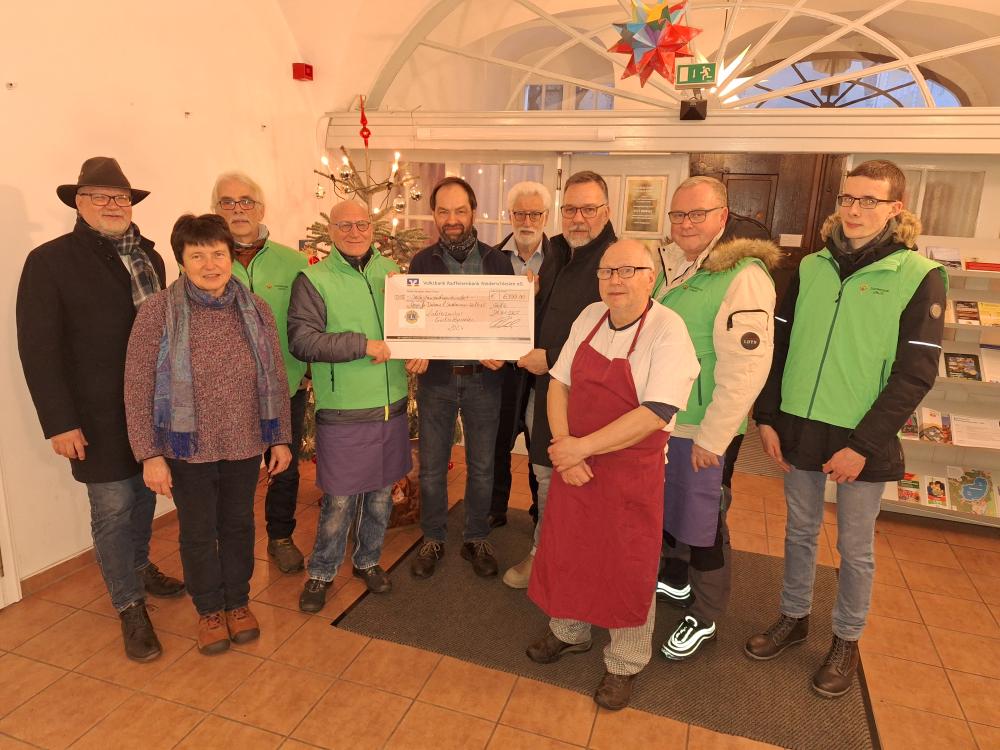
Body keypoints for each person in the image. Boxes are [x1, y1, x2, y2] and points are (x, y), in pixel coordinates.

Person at [746, 160, 947, 698]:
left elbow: (915, 374)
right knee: (799, 531)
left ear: (895, 208)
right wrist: (767, 415)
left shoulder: (918, 275)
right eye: (848, 199)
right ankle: (794, 617)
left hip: (862, 435)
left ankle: (846, 640)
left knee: (855, 549)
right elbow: (778, 346)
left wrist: (862, 446)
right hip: (800, 424)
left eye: (869, 201)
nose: (854, 210)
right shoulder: (811, 266)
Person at [16, 157, 184, 663]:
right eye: (100, 196)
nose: (114, 205)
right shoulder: (49, 261)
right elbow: (38, 348)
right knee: (112, 508)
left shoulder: (151, 257)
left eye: (122, 197)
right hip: (95, 415)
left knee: (146, 494)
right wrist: (60, 421)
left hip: (151, 408)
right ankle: (129, 605)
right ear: (79, 202)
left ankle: (139, 565)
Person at [526, 239, 698, 711]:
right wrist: (566, 448)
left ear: (651, 278)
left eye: (627, 271)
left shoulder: (668, 329)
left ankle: (625, 660)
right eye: (606, 272)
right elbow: (558, 383)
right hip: (576, 465)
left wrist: (580, 448)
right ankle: (570, 631)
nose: (615, 281)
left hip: (629, 471)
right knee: (571, 548)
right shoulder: (589, 317)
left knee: (628, 564)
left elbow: (656, 411)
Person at [125, 214, 292, 655]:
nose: (210, 264)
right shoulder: (157, 311)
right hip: (186, 447)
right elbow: (137, 386)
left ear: (231, 256)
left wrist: (279, 437)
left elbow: (274, 375)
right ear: (181, 260)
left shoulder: (256, 309)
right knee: (198, 532)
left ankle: (238, 602)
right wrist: (149, 454)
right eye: (197, 255)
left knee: (238, 525)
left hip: (244, 441)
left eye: (218, 253)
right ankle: (209, 611)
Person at [651, 176, 778, 659]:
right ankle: (676, 581)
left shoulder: (744, 276)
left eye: (697, 214)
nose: (685, 224)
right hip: (663, 419)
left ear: (722, 217)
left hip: (703, 425)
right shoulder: (669, 266)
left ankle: (705, 616)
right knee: (669, 508)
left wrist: (715, 437)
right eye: (678, 214)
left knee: (704, 520)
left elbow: (747, 368)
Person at [288, 201, 414, 611]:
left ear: (372, 228)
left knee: (381, 493)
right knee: (339, 498)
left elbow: (415, 326)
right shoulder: (314, 278)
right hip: (343, 408)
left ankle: (368, 561)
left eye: (362, 224)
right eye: (345, 225)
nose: (355, 232)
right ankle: (322, 572)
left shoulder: (393, 274)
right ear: (331, 230)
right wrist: (362, 345)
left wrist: (421, 350)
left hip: (391, 404)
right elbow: (303, 340)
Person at [506, 170, 618, 589]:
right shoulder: (557, 250)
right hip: (546, 389)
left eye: (588, 209)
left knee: (575, 481)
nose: (578, 218)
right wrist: (527, 301)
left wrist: (550, 357)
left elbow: (615, 335)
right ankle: (548, 555)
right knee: (546, 475)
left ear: (606, 211)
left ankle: (563, 564)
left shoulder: (614, 261)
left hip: (589, 398)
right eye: (570, 209)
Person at [408, 177, 514, 579]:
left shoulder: (497, 262)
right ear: (434, 215)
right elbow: (412, 317)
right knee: (432, 468)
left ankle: (475, 537)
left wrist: (503, 351)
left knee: (483, 467)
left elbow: (509, 320)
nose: (451, 219)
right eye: (443, 211)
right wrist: (413, 346)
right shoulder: (422, 262)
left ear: (473, 213)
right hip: (436, 381)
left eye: (459, 210)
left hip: (483, 382)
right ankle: (433, 536)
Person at [213, 172, 309, 574]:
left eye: (246, 201)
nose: (238, 209)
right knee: (230, 471)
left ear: (261, 209)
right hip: (227, 392)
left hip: (284, 386)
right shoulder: (205, 262)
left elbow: (309, 321)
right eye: (228, 202)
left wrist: (307, 370)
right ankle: (230, 541)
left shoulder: (294, 262)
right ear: (216, 210)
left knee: (284, 466)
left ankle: (281, 536)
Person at [489, 181, 549, 530]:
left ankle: (540, 509)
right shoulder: (491, 258)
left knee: (540, 443)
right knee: (497, 442)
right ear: (510, 215)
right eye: (520, 213)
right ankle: (495, 508)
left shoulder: (560, 259)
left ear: (545, 217)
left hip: (543, 371)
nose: (527, 221)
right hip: (501, 371)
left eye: (535, 214)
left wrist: (534, 300)